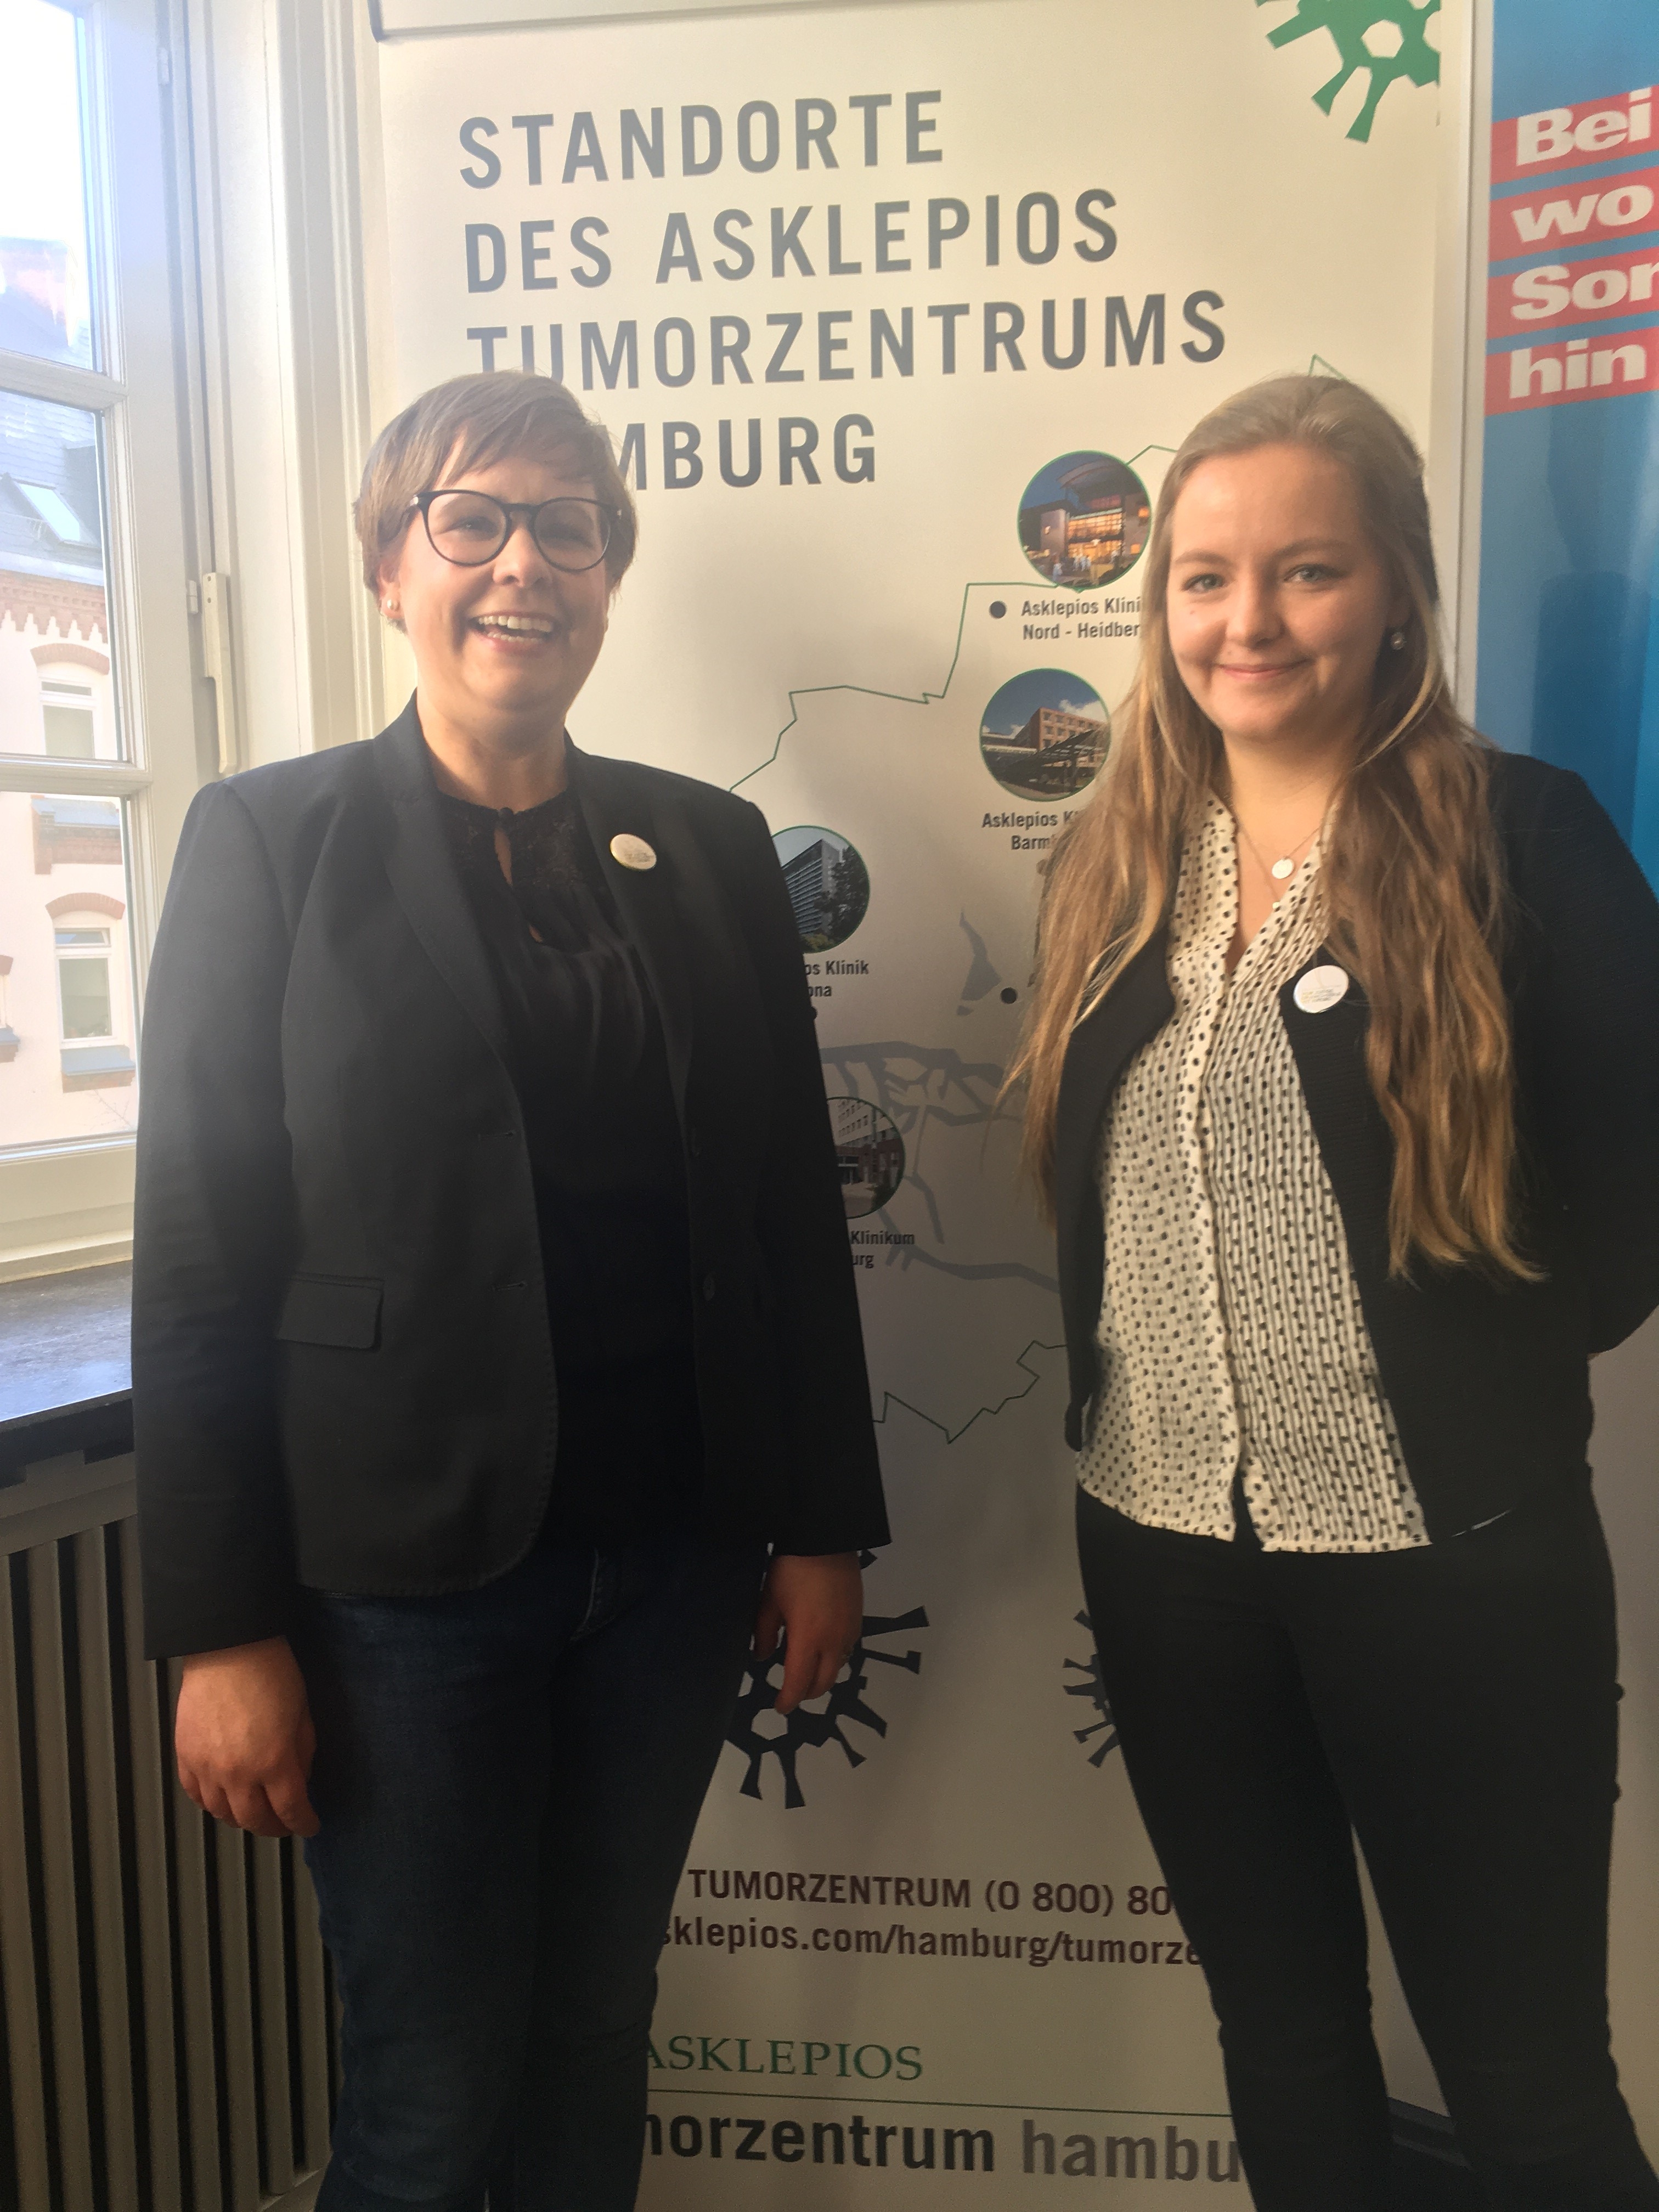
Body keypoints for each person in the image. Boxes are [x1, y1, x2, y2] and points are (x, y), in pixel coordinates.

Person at [132, 370, 888, 2212]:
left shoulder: (706, 847)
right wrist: (219, 1632)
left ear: (611, 573)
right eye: (468, 522)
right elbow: (204, 1250)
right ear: (390, 568)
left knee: (595, 2032)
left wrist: (820, 1526)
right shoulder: (269, 839)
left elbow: (785, 1212)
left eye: (566, 527)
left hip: (678, 1558)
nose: (520, 564)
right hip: (406, 1590)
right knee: (431, 2089)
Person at [1009, 374, 1659, 2211]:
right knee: (1282, 2040)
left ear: (1395, 595)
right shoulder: (1115, 860)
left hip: (1455, 1562)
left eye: (1307, 570)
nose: (1250, 620)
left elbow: (1635, 1197)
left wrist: (1479, 1369)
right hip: (1164, 1552)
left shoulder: (1524, 837)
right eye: (1205, 576)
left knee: (1530, 2089)